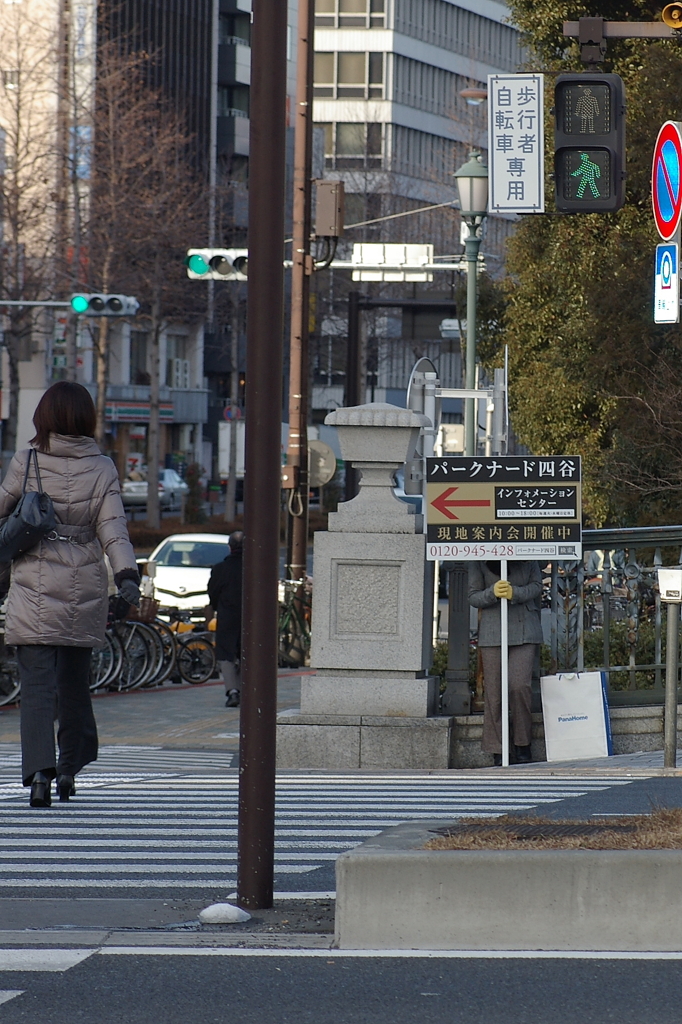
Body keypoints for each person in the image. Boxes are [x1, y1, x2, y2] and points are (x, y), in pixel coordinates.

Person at [0, 382, 140, 807]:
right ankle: (68, 771)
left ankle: (39, 775)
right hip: (84, 586)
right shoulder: (102, 467)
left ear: (44, 417)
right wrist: (127, 573)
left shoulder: (26, 461)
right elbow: (113, 527)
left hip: (33, 583)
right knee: (74, 686)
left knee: (37, 686)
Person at [468, 560, 542, 766]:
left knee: (520, 685)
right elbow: (473, 596)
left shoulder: (527, 554)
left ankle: (522, 743)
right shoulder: (478, 558)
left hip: (525, 627)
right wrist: (492, 593)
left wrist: (515, 593)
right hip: (493, 630)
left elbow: (537, 586)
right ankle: (498, 747)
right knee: (494, 690)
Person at [208, 531, 243, 708]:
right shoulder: (255, 567)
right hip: (251, 617)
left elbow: (213, 592)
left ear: (230, 547)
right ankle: (246, 689)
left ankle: (233, 691)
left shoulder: (220, 569)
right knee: (248, 652)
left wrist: (217, 607)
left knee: (226, 653)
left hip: (227, 615)